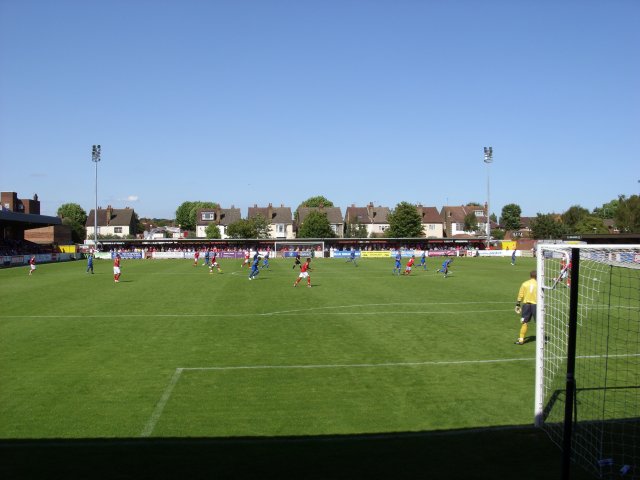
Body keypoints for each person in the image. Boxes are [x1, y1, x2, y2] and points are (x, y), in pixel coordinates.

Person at [515, 270, 538, 345]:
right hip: (536, 305)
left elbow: (520, 294)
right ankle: (542, 340)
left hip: (526, 305)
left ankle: (521, 339)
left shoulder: (525, 284)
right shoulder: (539, 284)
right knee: (539, 322)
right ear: (537, 276)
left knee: (524, 322)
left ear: (530, 276)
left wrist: (518, 303)